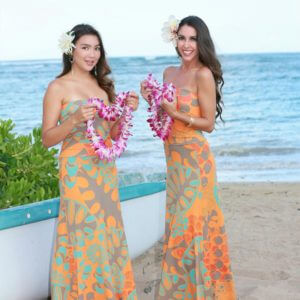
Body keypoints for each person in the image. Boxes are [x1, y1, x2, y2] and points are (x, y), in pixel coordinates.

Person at [141, 16, 236, 299]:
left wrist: (175, 113)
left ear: (201, 41)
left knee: (192, 229)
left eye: (192, 39)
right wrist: (152, 101)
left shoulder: (203, 75)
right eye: (182, 38)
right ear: (175, 40)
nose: (186, 45)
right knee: (178, 228)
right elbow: (163, 119)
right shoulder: (168, 73)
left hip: (196, 162)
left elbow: (207, 123)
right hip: (175, 163)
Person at [42, 24, 138, 300]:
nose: (92, 54)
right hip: (76, 170)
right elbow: (47, 139)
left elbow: (113, 135)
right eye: (85, 47)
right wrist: (73, 121)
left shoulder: (103, 87)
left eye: (96, 48)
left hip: (104, 170)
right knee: (82, 233)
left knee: (107, 232)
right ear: (71, 51)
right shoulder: (57, 87)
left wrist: (126, 113)